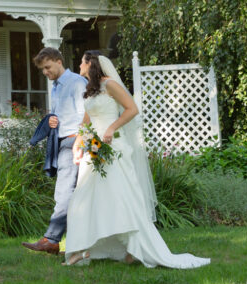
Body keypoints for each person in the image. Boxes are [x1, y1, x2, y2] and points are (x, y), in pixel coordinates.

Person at [63, 51, 210, 268]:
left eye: (81, 62)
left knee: (120, 198)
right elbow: (87, 120)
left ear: (90, 63)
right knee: (85, 197)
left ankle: (134, 248)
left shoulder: (110, 84)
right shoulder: (91, 90)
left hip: (113, 148)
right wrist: (78, 143)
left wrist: (112, 128)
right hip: (94, 148)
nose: (78, 66)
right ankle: (83, 249)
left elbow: (132, 109)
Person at [22, 46, 87, 256]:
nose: (45, 72)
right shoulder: (56, 86)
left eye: (47, 67)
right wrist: (52, 119)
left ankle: (51, 239)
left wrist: (79, 142)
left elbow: (86, 115)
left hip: (73, 141)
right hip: (61, 140)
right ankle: (60, 241)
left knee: (64, 191)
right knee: (68, 192)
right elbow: (64, 114)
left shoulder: (77, 82)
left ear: (59, 62)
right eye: (42, 69)